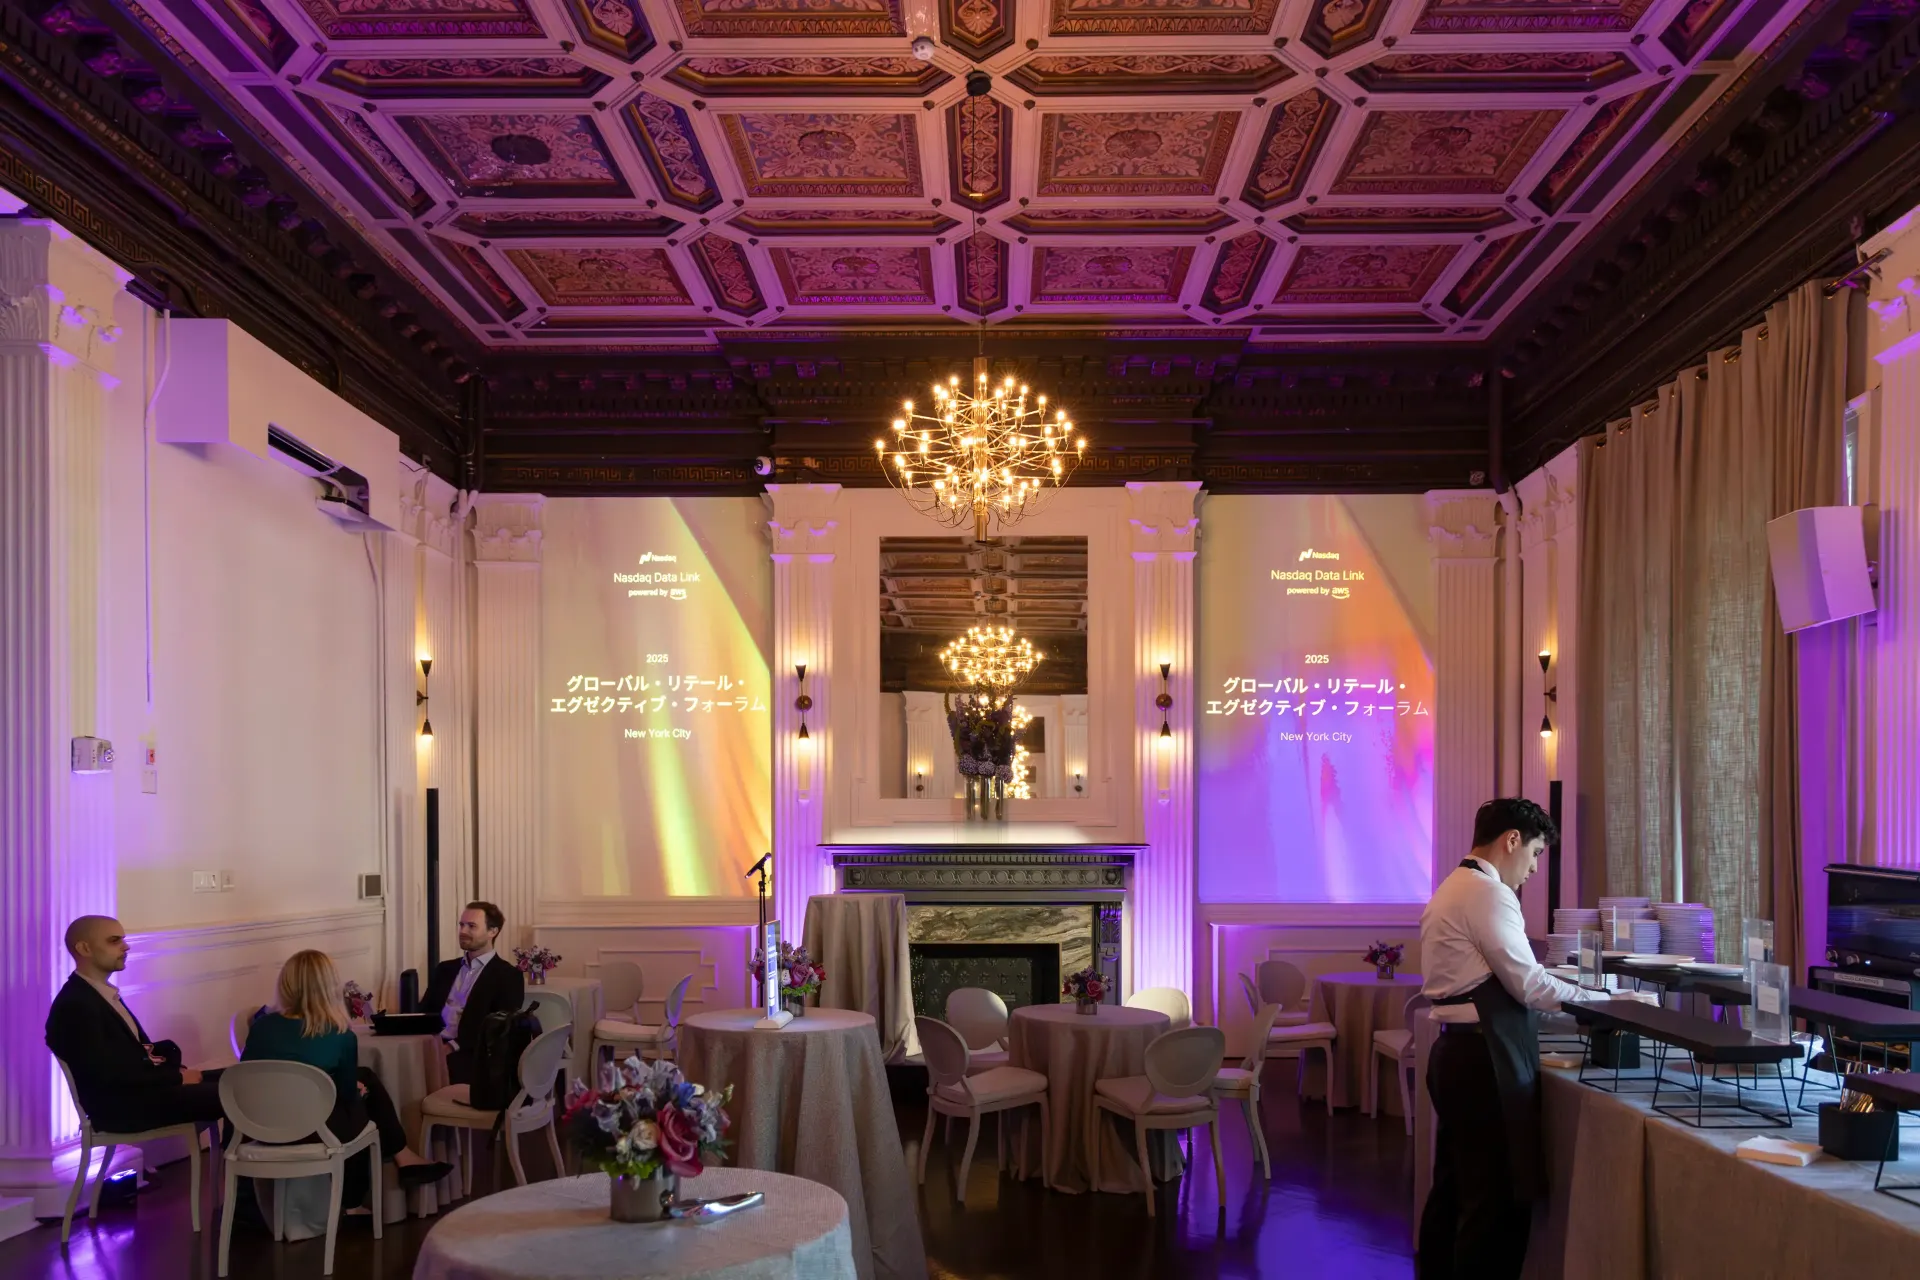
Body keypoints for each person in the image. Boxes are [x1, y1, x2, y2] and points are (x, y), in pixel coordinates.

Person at [1416, 798, 1621, 1280]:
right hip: (1483, 1058)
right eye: (1534, 854)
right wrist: (1605, 998)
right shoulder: (1486, 893)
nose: (1531, 869)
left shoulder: (1453, 886)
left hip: (1457, 1052)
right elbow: (1528, 984)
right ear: (1511, 840)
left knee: (1454, 1190)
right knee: (1493, 1203)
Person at [242, 951, 452, 1204]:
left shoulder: (261, 1027)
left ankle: (403, 1157)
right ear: (329, 987)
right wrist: (356, 1091)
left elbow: (248, 1077)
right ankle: (356, 1198)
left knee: (364, 1078)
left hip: (260, 1126)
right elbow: (345, 1095)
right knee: (362, 1102)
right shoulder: (339, 1034)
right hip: (313, 1130)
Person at [46, 915, 225, 1133]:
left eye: (123, 939)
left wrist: (174, 1074)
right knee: (241, 1094)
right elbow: (105, 1074)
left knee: (246, 1079)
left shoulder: (99, 994)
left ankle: (244, 1159)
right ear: (84, 948)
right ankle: (246, 1162)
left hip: (146, 1091)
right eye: (114, 941)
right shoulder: (76, 1005)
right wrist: (176, 1077)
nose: (126, 946)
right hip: (125, 1106)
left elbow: (130, 1058)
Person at [420, 902, 524, 1085]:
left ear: (493, 931)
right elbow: (423, 1011)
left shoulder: (507, 976)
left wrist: (451, 1047)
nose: (463, 931)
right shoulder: (445, 969)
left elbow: (499, 1029)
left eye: (472, 926)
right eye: (461, 925)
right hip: (429, 1045)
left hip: (470, 1055)